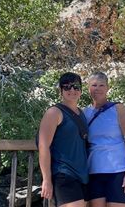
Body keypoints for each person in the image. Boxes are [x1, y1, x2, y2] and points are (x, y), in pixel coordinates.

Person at [84, 72, 125, 207]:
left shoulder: (118, 109)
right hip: (94, 172)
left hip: (119, 171)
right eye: (94, 85)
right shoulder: (84, 113)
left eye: (101, 85)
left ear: (108, 88)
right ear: (88, 88)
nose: (98, 88)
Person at [38, 72, 88, 207]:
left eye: (76, 87)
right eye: (67, 87)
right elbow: (43, 146)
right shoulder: (54, 112)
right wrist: (46, 180)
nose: (72, 90)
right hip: (64, 173)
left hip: (82, 176)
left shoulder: (81, 113)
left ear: (81, 90)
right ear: (60, 91)